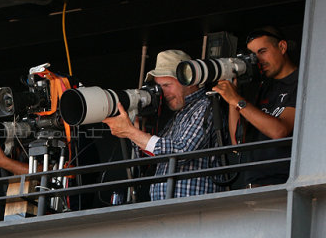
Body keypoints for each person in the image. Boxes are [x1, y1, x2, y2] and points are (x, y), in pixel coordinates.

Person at [103, 49, 219, 200]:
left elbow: (181, 152)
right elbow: (155, 155)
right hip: (170, 209)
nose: (163, 93)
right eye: (159, 86)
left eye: (167, 85)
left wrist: (131, 132)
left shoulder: (205, 106)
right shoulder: (179, 114)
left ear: (189, 80)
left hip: (192, 207)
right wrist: (137, 130)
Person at [211, 26, 297, 187]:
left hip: (283, 183)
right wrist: (232, 98)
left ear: (282, 47)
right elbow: (238, 142)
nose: (258, 60)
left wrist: (237, 100)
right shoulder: (263, 86)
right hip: (254, 185)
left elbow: (279, 131)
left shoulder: (300, 80)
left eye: (262, 51)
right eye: (253, 55)